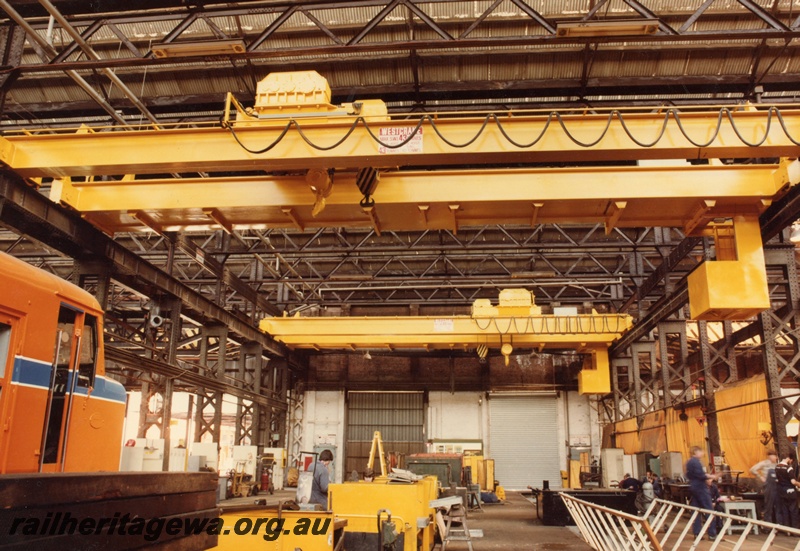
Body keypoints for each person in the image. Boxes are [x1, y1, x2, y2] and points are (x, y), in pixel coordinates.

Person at [686, 445, 717, 538]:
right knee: (709, 510)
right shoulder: (696, 462)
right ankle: (712, 533)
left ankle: (697, 532)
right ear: (696, 452)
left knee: (696, 511)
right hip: (700, 487)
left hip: (693, 487)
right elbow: (700, 475)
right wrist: (710, 476)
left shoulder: (689, 462)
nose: (702, 454)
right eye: (701, 452)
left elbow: (688, 474)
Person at [750, 449, 779, 523]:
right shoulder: (764, 463)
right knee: (768, 506)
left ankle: (779, 525)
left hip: (777, 485)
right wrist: (761, 477)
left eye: (775, 456)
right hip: (768, 486)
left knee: (778, 506)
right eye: (773, 456)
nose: (775, 458)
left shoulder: (777, 464)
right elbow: (752, 469)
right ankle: (768, 526)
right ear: (769, 457)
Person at [774, 451, 800, 529]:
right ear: (788, 458)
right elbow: (793, 481)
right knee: (793, 510)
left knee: (785, 510)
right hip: (790, 491)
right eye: (791, 460)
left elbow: (777, 480)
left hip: (781, 491)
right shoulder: (789, 468)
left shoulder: (777, 467)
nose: (791, 462)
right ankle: (795, 529)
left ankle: (787, 529)